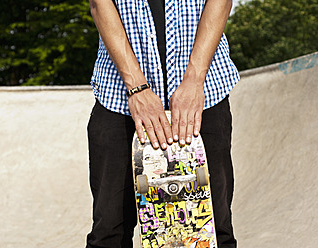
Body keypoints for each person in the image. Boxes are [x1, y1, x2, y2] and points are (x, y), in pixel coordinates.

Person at [86, 0, 239, 247]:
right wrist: (136, 87)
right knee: (108, 234)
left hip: (202, 95)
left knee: (212, 229)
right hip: (120, 97)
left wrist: (194, 80)